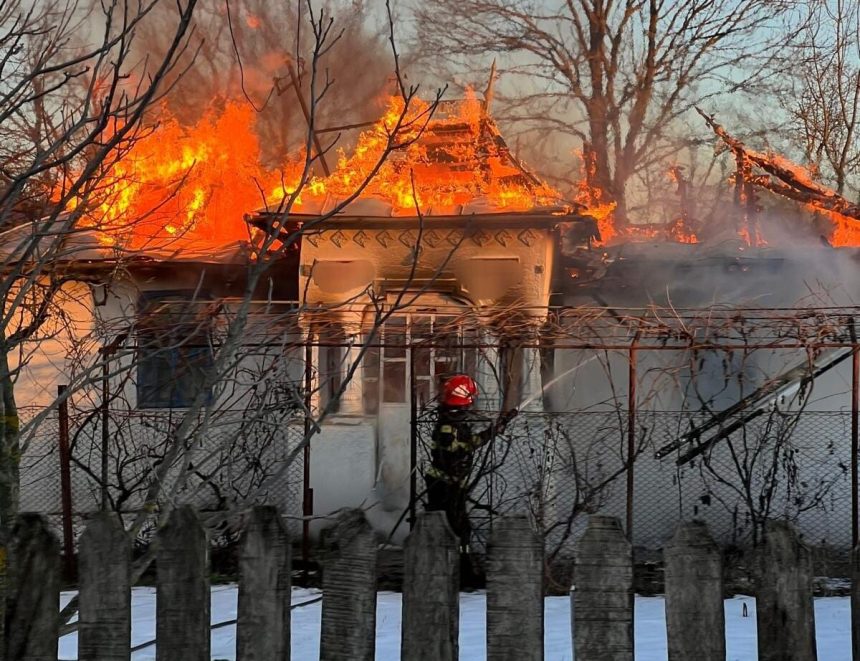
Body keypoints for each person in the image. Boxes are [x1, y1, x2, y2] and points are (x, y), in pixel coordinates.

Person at [424, 374, 517, 555]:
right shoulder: (449, 425)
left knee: (454, 527)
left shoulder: (452, 420)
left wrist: (493, 430)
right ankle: (459, 563)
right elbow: (458, 451)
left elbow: (467, 444)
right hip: (445, 485)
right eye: (470, 399)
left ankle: (455, 560)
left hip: (448, 484)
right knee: (456, 528)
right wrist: (490, 433)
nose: (471, 404)